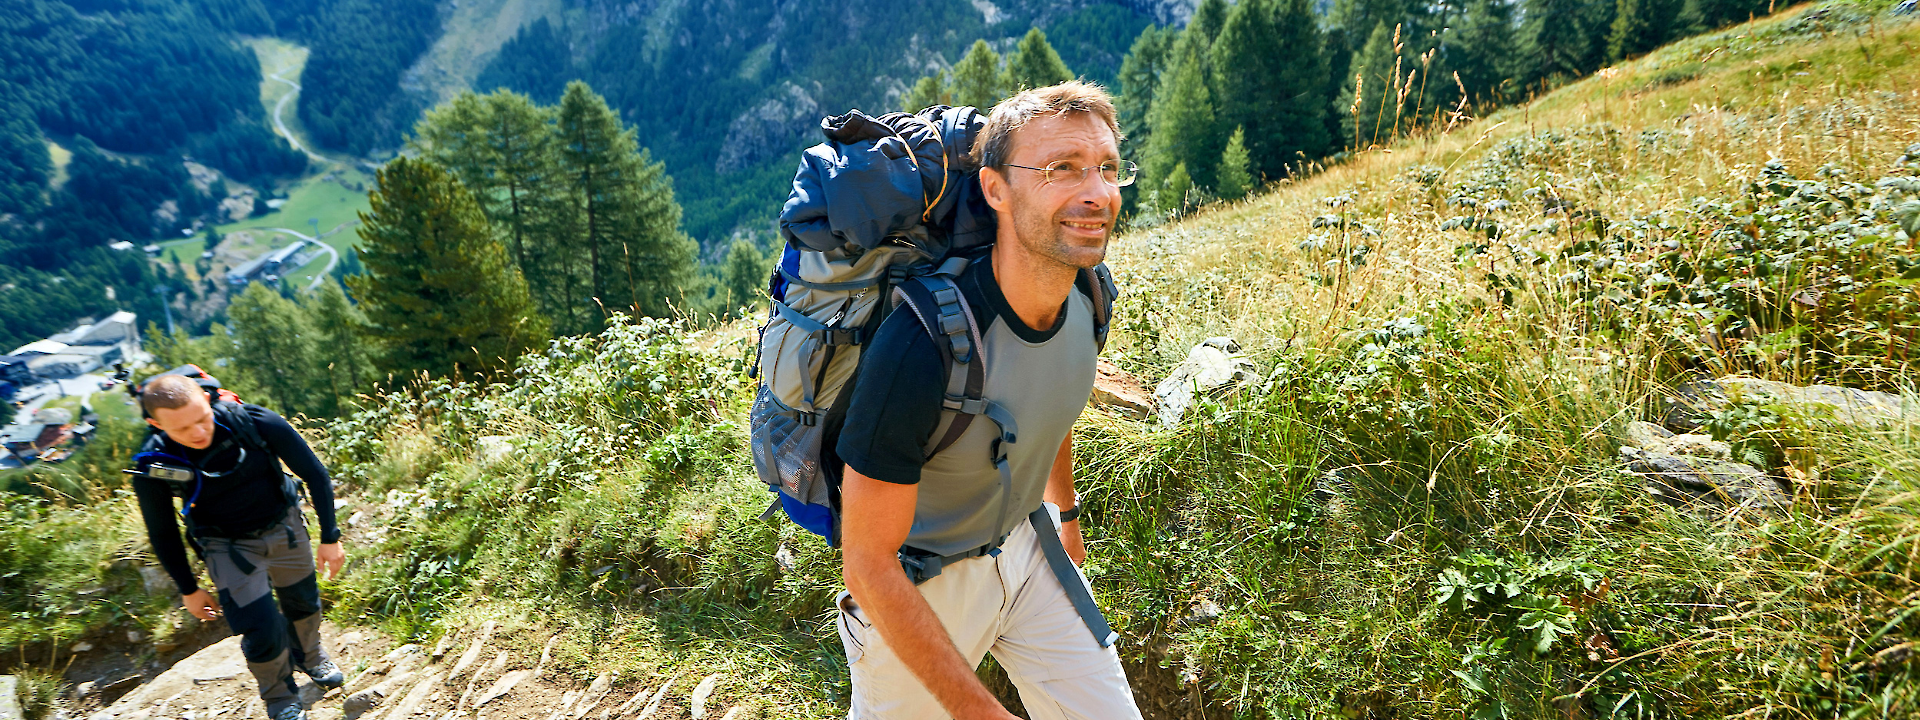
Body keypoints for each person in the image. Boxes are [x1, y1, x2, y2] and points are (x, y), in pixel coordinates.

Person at [833, 81, 1144, 719]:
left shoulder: (1088, 296)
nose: (1097, 192)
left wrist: (1065, 514)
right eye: (1062, 169)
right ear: (996, 190)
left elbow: (1048, 403)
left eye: (1108, 168)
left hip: (1028, 549)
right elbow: (865, 563)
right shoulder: (921, 346)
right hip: (920, 585)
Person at [130, 374, 346, 720]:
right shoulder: (155, 464)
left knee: (303, 601)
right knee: (259, 625)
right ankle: (280, 698)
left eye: (202, 418)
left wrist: (330, 538)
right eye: (182, 429)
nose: (198, 432)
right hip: (225, 546)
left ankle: (309, 655)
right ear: (156, 424)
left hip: (284, 525)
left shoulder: (255, 422)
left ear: (207, 399)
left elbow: (315, 474)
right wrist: (188, 588)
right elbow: (163, 531)